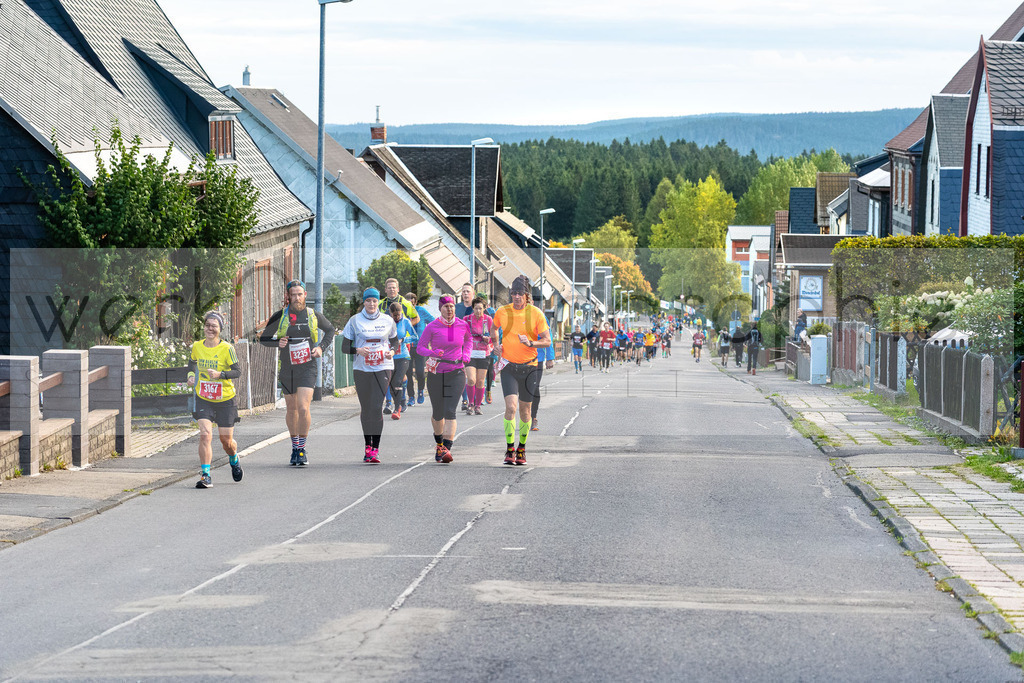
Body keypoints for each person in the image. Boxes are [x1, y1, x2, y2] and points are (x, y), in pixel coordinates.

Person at [259, 280, 335, 467]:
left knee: (303, 407)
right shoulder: (281, 316)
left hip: (308, 366)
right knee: (292, 409)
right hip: (288, 367)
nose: (296, 298)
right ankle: (295, 448)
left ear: (305, 295)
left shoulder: (312, 315)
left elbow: (330, 330)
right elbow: (264, 339)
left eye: (300, 294)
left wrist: (320, 348)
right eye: (293, 294)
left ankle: (302, 448)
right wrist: (278, 343)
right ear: (288, 296)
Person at [492, 275, 550, 465]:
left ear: (527, 296)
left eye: (520, 294)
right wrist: (495, 344)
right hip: (509, 366)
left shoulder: (536, 314)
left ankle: (521, 449)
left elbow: (547, 340)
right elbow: (493, 328)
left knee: (525, 412)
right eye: (514, 293)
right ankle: (509, 449)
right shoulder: (502, 311)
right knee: (511, 407)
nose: (517, 297)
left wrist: (532, 342)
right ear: (510, 294)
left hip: (530, 368)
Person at [341, 288, 399, 464]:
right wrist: (357, 350)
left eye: (374, 301)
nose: (372, 304)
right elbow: (344, 347)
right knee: (366, 409)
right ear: (363, 302)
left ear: (378, 302)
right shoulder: (354, 321)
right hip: (362, 369)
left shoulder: (388, 320)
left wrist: (391, 351)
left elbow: (395, 341)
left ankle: (376, 449)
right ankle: (368, 446)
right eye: (368, 301)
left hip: (383, 367)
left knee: (376, 407)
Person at [187, 311, 241, 489]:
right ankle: (206, 475)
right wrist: (190, 376)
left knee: (226, 442)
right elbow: (192, 363)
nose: (210, 329)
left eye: (214, 326)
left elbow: (237, 372)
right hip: (204, 397)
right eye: (207, 325)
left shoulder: (227, 348)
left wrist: (221, 375)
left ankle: (233, 458)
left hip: (225, 399)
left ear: (220, 329)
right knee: (205, 435)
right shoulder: (197, 346)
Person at [417, 295, 472, 463]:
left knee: (450, 411)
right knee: (438, 413)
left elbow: (469, 340)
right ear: (440, 308)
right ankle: (439, 444)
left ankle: (446, 449)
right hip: (436, 373)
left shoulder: (463, 325)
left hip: (456, 371)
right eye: (446, 306)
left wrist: (466, 353)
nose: (449, 309)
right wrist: (432, 353)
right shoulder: (432, 326)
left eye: (451, 306)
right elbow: (420, 348)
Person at [388, 302, 418, 420]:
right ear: (390, 314)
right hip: (390, 357)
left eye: (398, 315)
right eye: (394, 315)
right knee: (391, 383)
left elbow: (415, 337)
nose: (397, 317)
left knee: (398, 381)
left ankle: (397, 408)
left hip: (403, 356)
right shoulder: (387, 323)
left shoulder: (405, 321)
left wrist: (404, 339)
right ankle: (402, 400)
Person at [464, 296, 493, 415]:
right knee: (471, 379)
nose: (478, 311)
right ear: (473, 308)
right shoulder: (467, 319)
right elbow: (462, 334)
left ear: (484, 308)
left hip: (483, 353)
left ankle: (477, 406)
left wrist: (488, 339)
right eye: (476, 308)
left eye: (480, 308)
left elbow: (493, 336)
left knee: (480, 382)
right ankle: (470, 403)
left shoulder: (488, 320)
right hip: (470, 352)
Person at [407, 292, 435, 406]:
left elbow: (433, 322)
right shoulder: (403, 312)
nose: (410, 304)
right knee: (408, 372)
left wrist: (428, 336)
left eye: (412, 302)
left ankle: (420, 392)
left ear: (415, 302)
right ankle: (411, 397)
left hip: (420, 346)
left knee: (420, 372)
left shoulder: (421, 311)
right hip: (407, 347)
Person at [530, 317, 556, 431]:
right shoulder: (513, 314)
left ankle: (533, 417)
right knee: (523, 389)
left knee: (534, 387)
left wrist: (550, 357)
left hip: (537, 358)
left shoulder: (539, 315)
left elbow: (547, 337)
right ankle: (525, 416)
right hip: (519, 358)